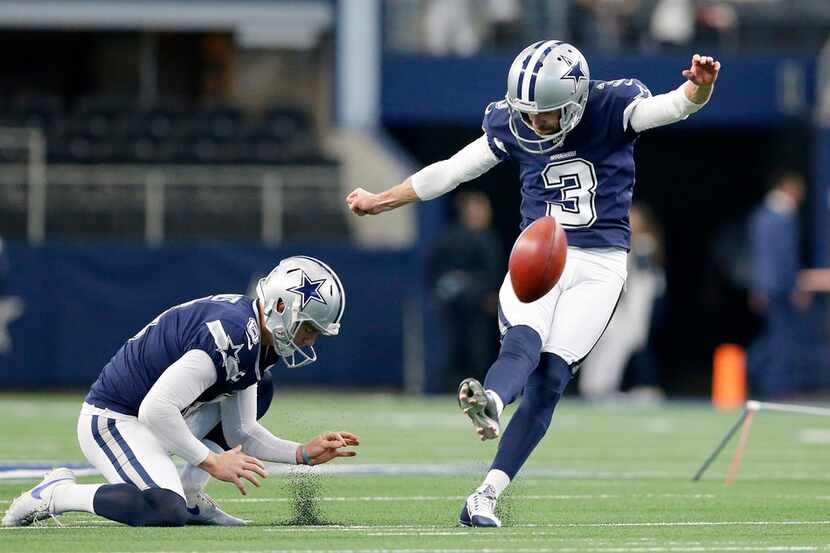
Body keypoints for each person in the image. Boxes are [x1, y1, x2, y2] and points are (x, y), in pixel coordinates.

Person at [346, 41, 719, 527]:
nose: (534, 123)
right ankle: (493, 401)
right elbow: (451, 171)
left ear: (578, 98)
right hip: (538, 252)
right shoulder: (514, 122)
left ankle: (485, 495)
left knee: (550, 381)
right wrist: (382, 199)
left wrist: (699, 88)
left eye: (546, 114)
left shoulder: (610, 106)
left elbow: (673, 107)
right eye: (527, 113)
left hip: (600, 264)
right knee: (523, 339)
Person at [3, 256, 359, 527]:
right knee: (162, 508)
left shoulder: (256, 338)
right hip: (115, 419)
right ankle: (55, 493)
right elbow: (156, 410)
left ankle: (189, 495)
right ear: (281, 306)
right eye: (309, 328)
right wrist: (212, 461)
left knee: (260, 389)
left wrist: (303, 453)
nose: (309, 339)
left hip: (156, 413)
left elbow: (242, 431)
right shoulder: (234, 336)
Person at [578, 203, 666, 402]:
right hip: (609, 302)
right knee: (598, 342)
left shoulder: (645, 243)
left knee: (624, 342)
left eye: (633, 218)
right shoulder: (611, 239)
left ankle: (605, 386)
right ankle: (593, 385)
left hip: (634, 304)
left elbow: (642, 283)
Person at [425, 191, 502, 389]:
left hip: (479, 306)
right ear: (465, 211)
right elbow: (433, 269)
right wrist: (442, 290)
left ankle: (480, 392)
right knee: (452, 349)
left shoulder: (488, 238)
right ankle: (446, 391)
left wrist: (493, 296)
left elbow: (493, 272)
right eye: (477, 208)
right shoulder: (449, 238)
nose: (483, 213)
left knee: (478, 352)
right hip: (454, 306)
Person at [747, 173, 808, 397]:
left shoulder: (761, 215)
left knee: (774, 337)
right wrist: (794, 287)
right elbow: (784, 256)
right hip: (777, 287)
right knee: (779, 339)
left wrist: (759, 286)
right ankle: (771, 384)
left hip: (767, 285)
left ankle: (755, 373)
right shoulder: (781, 216)